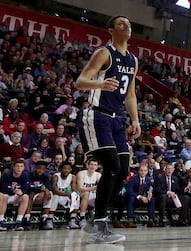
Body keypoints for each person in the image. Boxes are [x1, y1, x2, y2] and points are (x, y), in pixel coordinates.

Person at [75, 15, 141, 244]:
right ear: (111, 30)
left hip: (117, 119)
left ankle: (95, 218)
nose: (127, 25)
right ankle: (101, 224)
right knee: (112, 166)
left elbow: (130, 94)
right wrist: (100, 84)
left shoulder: (133, 59)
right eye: (121, 23)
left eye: (128, 23)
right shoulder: (104, 53)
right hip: (97, 115)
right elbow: (80, 81)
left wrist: (135, 119)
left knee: (123, 170)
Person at [0, 159, 31, 231]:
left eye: (21, 166)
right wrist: (13, 191)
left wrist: (22, 192)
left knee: (26, 196)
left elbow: (26, 189)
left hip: (16, 197)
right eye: (17, 166)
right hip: (6, 196)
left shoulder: (25, 175)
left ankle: (18, 222)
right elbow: (2, 188)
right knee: (2, 195)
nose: (19, 168)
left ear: (23, 168)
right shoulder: (6, 174)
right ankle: (0, 221)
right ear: (13, 167)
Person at [50, 162, 80, 229]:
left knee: (76, 196)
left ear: (71, 169)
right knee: (55, 196)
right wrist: (67, 194)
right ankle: (49, 220)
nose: (66, 170)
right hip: (57, 196)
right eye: (65, 168)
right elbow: (55, 190)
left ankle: (72, 220)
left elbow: (74, 189)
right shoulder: (56, 176)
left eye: (68, 168)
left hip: (65, 197)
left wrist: (74, 194)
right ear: (61, 169)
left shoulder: (73, 177)